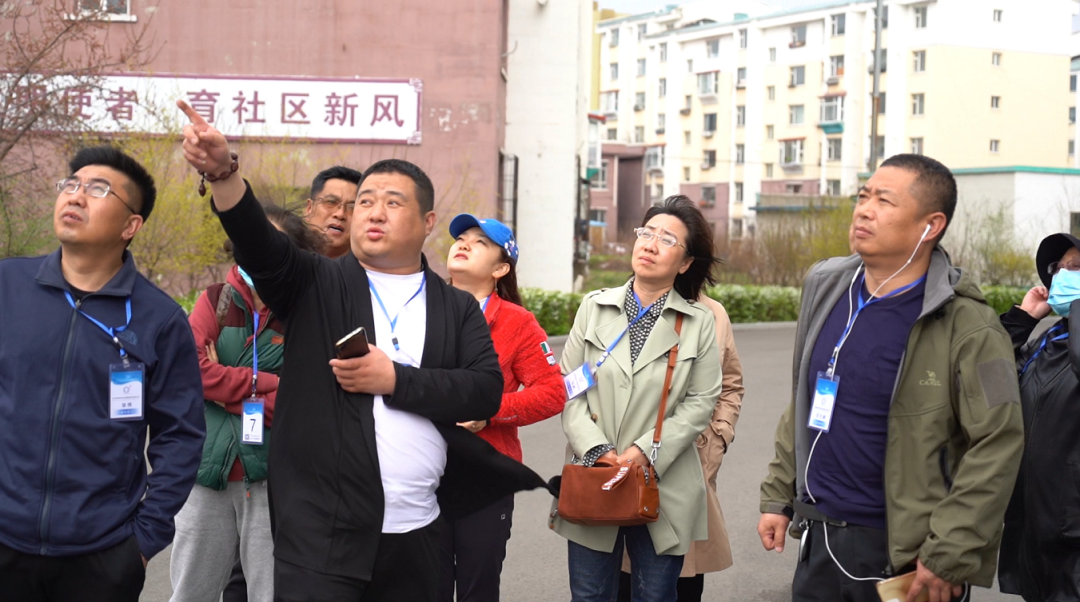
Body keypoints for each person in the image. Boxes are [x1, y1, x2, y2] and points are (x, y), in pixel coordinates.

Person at [179, 100, 548, 602]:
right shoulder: (314, 282)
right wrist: (224, 175)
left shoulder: (456, 307)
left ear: (428, 220)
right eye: (366, 201)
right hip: (320, 539)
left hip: (420, 532)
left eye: (393, 202)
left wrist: (395, 379)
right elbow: (260, 244)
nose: (374, 211)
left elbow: (484, 390)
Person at [758, 154, 1024, 602]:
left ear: (930, 225)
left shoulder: (972, 327)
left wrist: (950, 551)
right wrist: (778, 496)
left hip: (909, 556)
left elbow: (998, 442)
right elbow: (806, 399)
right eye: (863, 197)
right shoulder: (827, 289)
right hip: (820, 542)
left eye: (884, 201)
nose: (864, 210)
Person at [0, 146, 205, 601]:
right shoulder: (8, 287)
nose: (75, 196)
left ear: (131, 225)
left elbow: (180, 435)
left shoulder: (159, 319)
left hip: (101, 557)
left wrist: (143, 541)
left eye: (97, 190)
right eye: (71, 184)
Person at [551, 195, 724, 602]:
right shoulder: (593, 308)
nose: (650, 244)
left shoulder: (698, 323)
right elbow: (569, 389)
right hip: (595, 475)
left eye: (667, 239)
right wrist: (598, 450)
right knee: (589, 595)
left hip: (663, 480)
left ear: (685, 262)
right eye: (647, 233)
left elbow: (701, 401)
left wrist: (643, 452)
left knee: (655, 595)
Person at [170, 205, 327, 602]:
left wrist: (224, 394)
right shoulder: (215, 300)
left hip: (273, 478)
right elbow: (190, 373)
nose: (260, 252)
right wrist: (263, 382)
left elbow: (302, 400)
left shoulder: (306, 312)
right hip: (208, 473)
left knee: (269, 593)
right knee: (191, 593)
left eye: (273, 244)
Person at [440, 214, 566, 602]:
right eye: (461, 238)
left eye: (480, 242)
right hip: (419, 474)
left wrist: (490, 411)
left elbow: (552, 392)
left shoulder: (517, 322)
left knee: (477, 589)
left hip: (485, 479)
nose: (464, 243)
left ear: (500, 268)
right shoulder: (419, 307)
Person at [617, 295, 745, 601]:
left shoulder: (713, 312)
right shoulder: (620, 305)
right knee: (624, 579)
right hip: (629, 463)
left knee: (682, 580)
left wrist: (719, 434)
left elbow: (730, 384)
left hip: (690, 462)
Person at [998, 232, 1080, 601]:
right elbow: (987, 383)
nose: (1062, 275)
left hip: (1072, 537)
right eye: (1057, 268)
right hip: (1032, 530)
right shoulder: (1045, 343)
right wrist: (1022, 321)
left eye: (1075, 267)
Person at [303, 165, 363, 259]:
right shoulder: (285, 257)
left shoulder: (371, 266)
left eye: (352, 208)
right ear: (309, 208)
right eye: (331, 202)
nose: (340, 214)